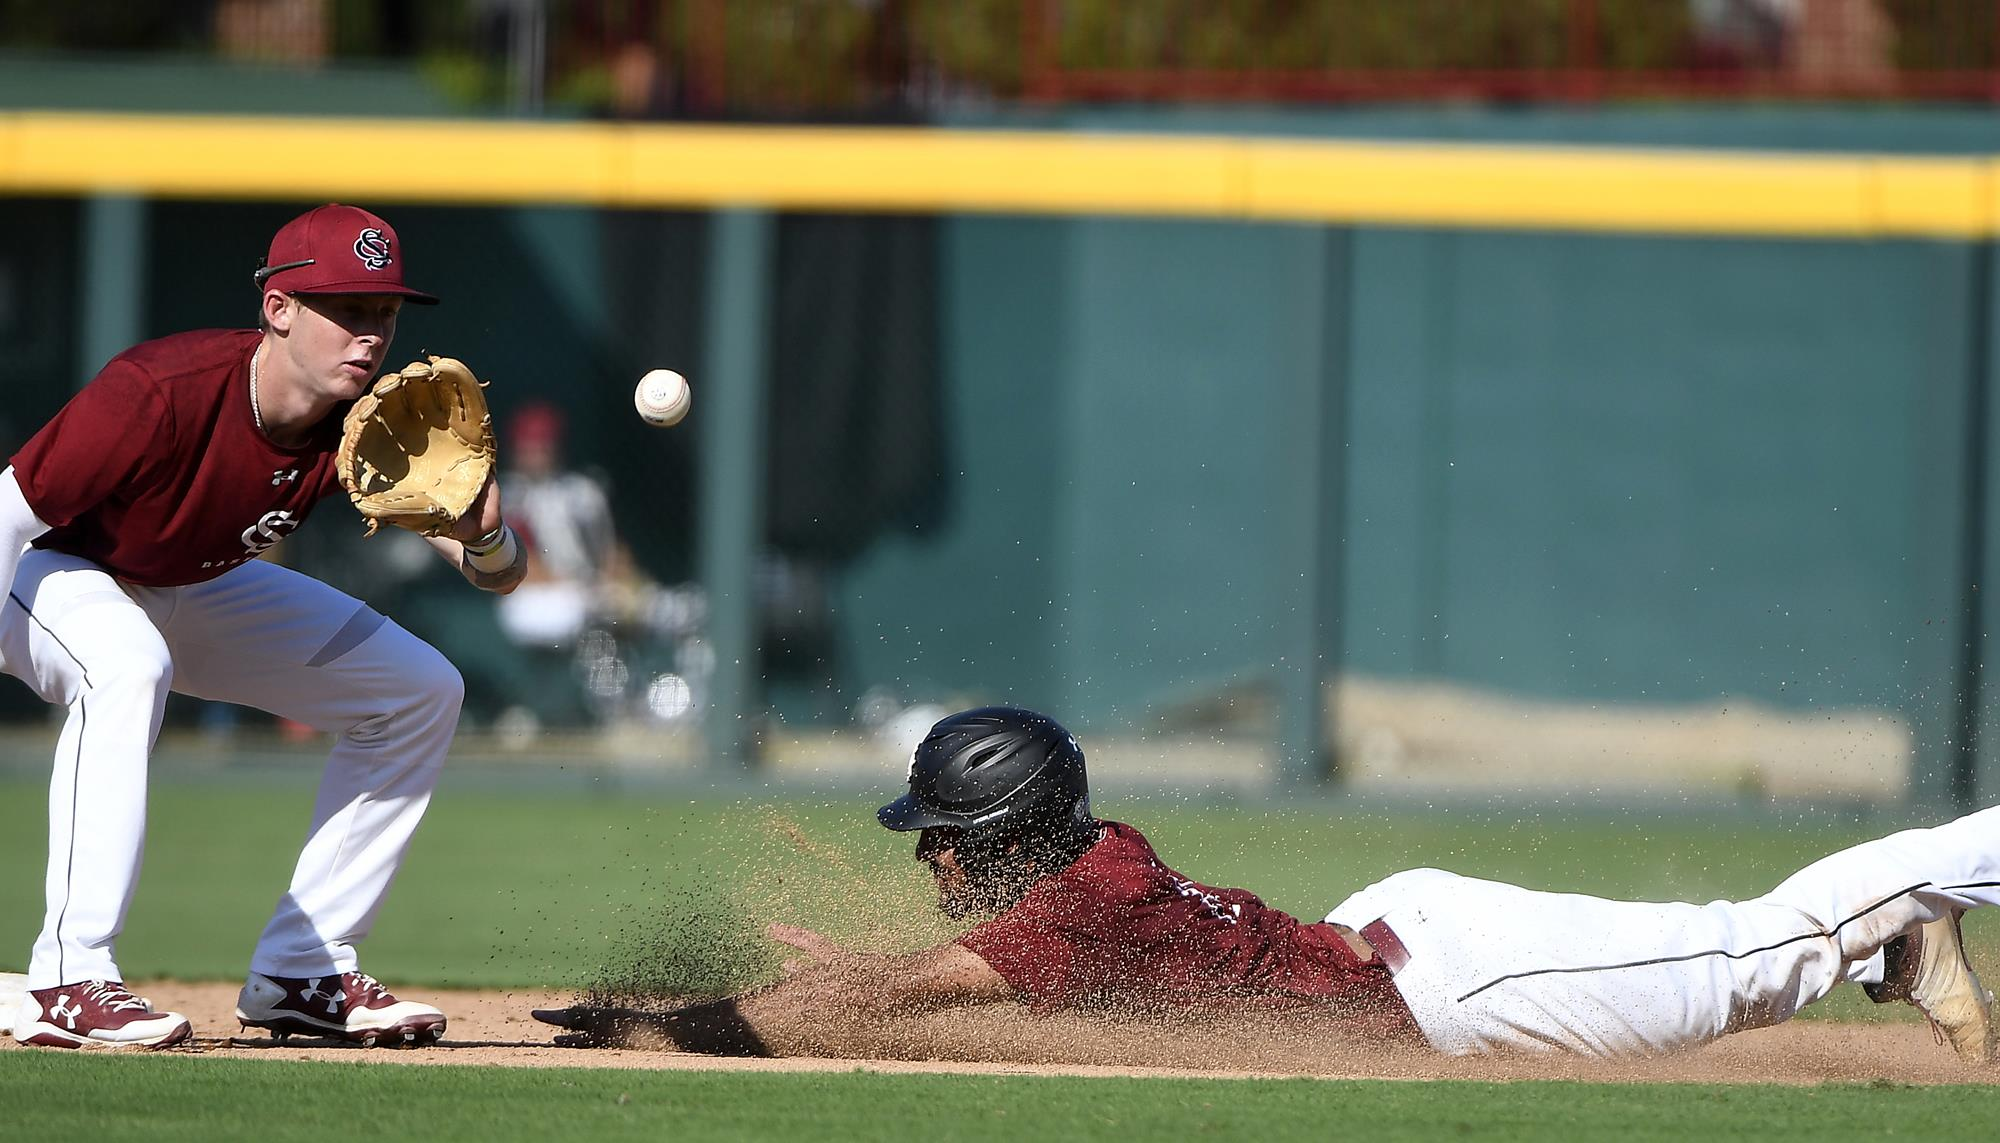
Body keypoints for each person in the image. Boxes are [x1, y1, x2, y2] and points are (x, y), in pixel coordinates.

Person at [536, 705, 1999, 1064]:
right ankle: (1901, 951)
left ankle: (1900, 920)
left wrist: (661, 1018)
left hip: (1454, 984)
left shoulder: (1075, 905)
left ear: (1010, 829)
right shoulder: (1074, 878)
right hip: (1404, 934)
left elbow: (866, 1004)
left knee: (1757, 950)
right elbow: (893, 985)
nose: (924, 848)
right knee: (1761, 954)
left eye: (940, 826)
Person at [4, 203, 528, 1050]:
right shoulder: (159, 392)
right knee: (127, 663)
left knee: (421, 688)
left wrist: (485, 534)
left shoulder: (362, 427)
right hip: (48, 570)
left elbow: (498, 577)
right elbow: (7, 513)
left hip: (184, 583)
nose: (371, 336)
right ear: (278, 309)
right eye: (348, 310)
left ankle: (305, 969)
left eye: (384, 314)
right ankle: (70, 974)